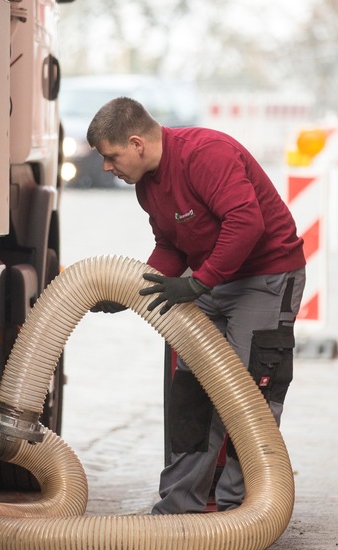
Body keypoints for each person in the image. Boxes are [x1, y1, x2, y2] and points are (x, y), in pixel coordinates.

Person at [87, 97, 306, 514]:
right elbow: (170, 245)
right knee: (191, 391)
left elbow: (247, 223)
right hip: (213, 280)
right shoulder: (148, 186)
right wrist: (132, 290)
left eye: (111, 157)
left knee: (247, 394)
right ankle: (179, 507)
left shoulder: (205, 155)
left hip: (266, 276)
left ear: (136, 144)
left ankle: (244, 512)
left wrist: (199, 283)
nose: (107, 168)